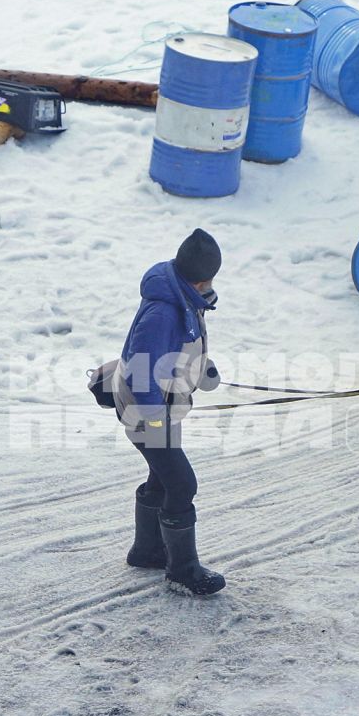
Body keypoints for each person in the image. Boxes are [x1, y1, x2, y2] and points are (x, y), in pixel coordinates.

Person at [111, 229, 225, 596]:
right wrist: (154, 416)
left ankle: (147, 550)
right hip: (145, 410)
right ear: (201, 275)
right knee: (181, 483)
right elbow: (141, 366)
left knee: (163, 477)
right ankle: (182, 570)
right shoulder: (164, 310)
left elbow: (179, 347)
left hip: (162, 406)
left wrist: (200, 369)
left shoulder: (185, 295)